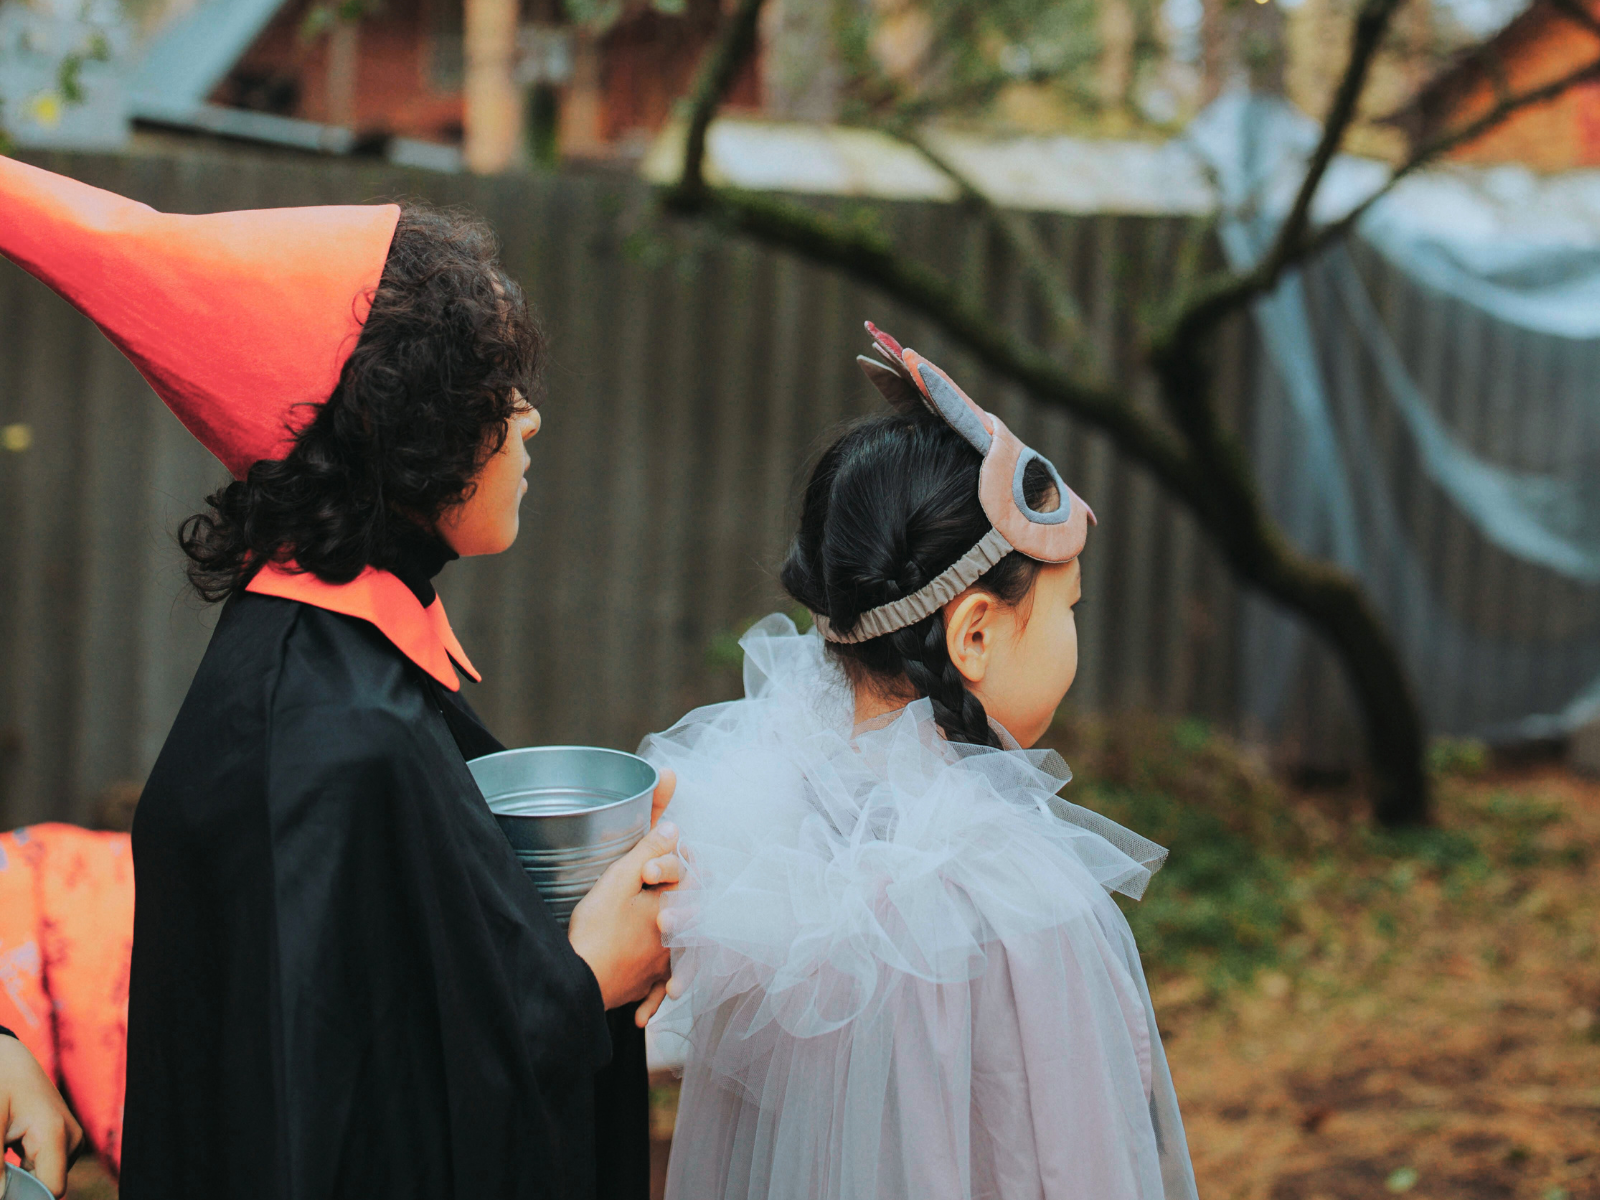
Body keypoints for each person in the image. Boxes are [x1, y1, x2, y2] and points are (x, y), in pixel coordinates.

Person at [0, 156, 678, 1199]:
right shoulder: (339, 729)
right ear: (409, 430)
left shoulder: (317, 666)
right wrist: (590, 978)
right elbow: (359, 1128)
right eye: (494, 394)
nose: (529, 420)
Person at [641, 324, 1199, 1200]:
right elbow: (1083, 1162)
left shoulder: (763, 847)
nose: (1074, 631)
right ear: (973, 634)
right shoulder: (1017, 901)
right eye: (1069, 606)